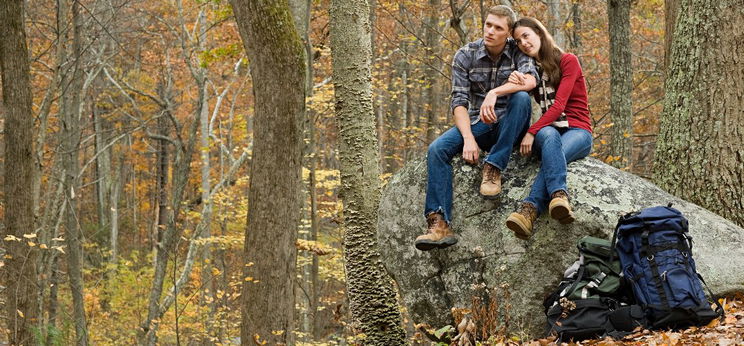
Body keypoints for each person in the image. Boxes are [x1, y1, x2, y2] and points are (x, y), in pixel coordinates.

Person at [415, 5, 538, 251]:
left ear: (509, 32)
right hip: (479, 124)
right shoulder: (465, 55)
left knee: (521, 98)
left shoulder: (518, 51)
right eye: (488, 24)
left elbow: (530, 81)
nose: (490, 31)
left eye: (498, 28)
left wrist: (496, 92)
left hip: (511, 123)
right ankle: (438, 223)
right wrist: (468, 138)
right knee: (437, 149)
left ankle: (493, 167)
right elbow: (458, 101)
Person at [504, 17, 593, 240]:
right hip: (551, 129)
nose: (523, 43)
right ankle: (558, 196)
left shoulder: (568, 61)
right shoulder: (532, 72)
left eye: (526, 36)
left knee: (555, 154)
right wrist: (514, 79)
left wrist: (531, 131)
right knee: (551, 138)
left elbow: (559, 106)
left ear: (540, 33)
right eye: (518, 40)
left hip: (578, 130)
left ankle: (530, 210)